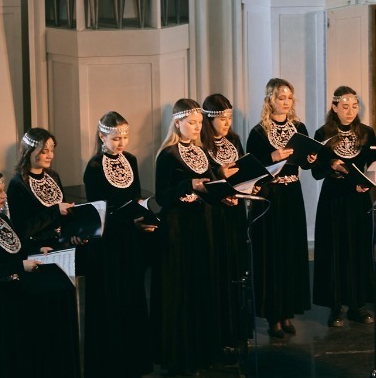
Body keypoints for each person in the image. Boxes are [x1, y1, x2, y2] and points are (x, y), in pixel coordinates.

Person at [0, 166, 80, 377]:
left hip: (13, 297)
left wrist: (35, 250)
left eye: (3, 189)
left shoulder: (3, 220)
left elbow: (15, 248)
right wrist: (20, 265)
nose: (4, 195)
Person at [82, 111, 156, 377]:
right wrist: (125, 218)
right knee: (111, 297)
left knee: (132, 294)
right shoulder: (93, 166)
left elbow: (134, 196)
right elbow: (97, 209)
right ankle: (112, 363)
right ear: (102, 137)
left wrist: (142, 214)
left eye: (125, 137)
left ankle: (135, 359)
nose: (121, 143)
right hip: (109, 242)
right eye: (115, 138)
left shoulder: (131, 160)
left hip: (130, 238)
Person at [245, 78, 317, 338]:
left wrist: (310, 159)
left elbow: (307, 163)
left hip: (291, 195)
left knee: (290, 251)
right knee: (272, 254)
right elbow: (251, 168)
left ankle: (287, 312)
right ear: (270, 100)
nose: (285, 102)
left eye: (289, 98)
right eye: (280, 97)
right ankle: (273, 315)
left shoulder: (298, 127)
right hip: (270, 196)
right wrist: (271, 158)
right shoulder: (258, 132)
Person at [153, 99, 216, 374]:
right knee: (177, 288)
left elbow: (210, 183)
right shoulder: (167, 155)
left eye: (200, 123)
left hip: (199, 224)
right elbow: (163, 196)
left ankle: (199, 349)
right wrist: (187, 184)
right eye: (192, 123)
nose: (197, 127)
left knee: (197, 284)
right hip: (177, 227)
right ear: (178, 123)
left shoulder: (202, 152)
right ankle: (176, 354)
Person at [313, 85, 376, 326]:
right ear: (334, 108)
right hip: (333, 200)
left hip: (358, 198)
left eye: (354, 106)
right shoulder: (322, 134)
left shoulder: (367, 132)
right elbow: (315, 172)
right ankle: (335, 307)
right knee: (335, 250)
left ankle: (357, 304)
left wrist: (369, 182)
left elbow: (373, 165)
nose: (350, 111)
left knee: (359, 249)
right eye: (344, 107)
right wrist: (330, 164)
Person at [202, 93, 253, 350]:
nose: (226, 123)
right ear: (209, 119)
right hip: (215, 213)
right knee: (219, 267)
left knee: (237, 265)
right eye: (222, 118)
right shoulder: (202, 143)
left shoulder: (234, 139)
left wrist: (247, 186)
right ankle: (220, 331)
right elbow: (205, 179)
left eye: (229, 118)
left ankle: (239, 328)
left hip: (235, 211)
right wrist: (220, 180)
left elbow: (243, 170)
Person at [6, 127, 74, 253]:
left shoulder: (53, 175)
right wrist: (54, 211)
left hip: (61, 244)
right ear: (29, 152)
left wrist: (75, 233)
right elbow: (21, 230)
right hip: (38, 248)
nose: (50, 156)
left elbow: (63, 211)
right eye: (44, 152)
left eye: (52, 150)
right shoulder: (18, 184)